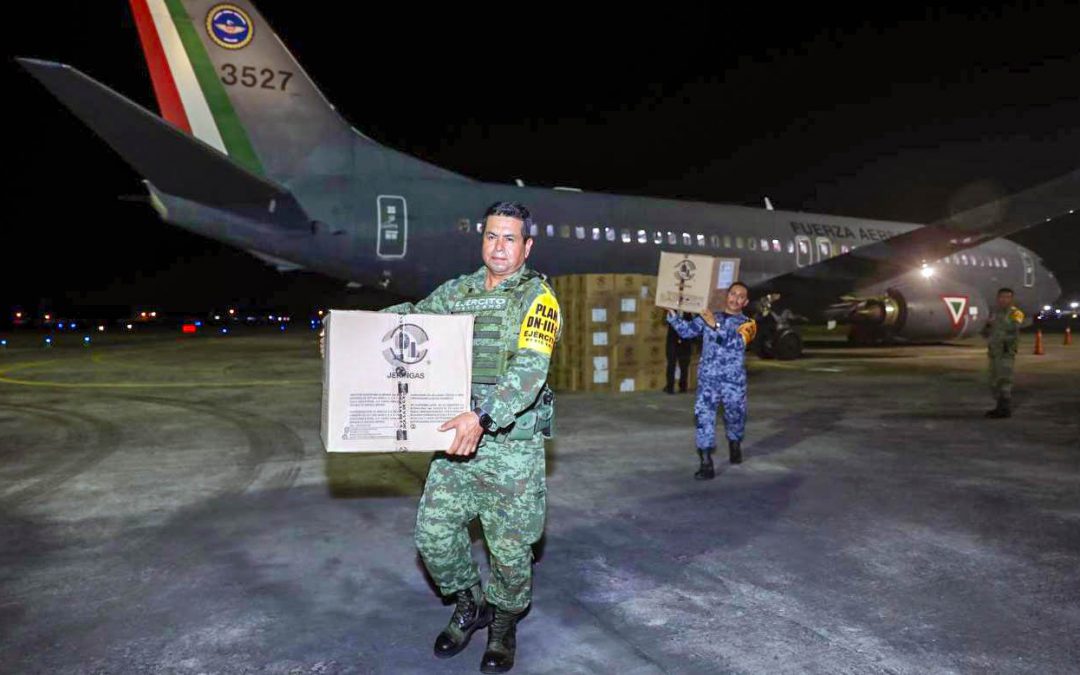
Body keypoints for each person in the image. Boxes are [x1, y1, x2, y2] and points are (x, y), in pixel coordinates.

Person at [380, 201, 560, 673]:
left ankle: (503, 621)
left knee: (510, 551)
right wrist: (351, 329)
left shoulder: (537, 298)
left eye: (509, 238)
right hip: (456, 443)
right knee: (433, 535)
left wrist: (481, 417)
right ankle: (470, 602)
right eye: (491, 236)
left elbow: (529, 370)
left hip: (508, 447)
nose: (499, 247)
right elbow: (412, 318)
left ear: (526, 246)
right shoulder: (458, 291)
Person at [667, 282, 756, 479]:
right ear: (727, 295)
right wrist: (673, 315)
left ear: (746, 302)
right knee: (703, 418)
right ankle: (706, 462)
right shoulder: (710, 315)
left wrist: (714, 326)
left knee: (735, 417)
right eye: (733, 294)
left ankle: (735, 442)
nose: (735, 299)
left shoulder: (748, 324)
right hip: (708, 380)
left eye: (741, 297)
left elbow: (737, 344)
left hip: (733, 383)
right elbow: (687, 331)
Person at [980, 287, 1024, 419]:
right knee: (994, 380)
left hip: (1006, 351)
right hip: (994, 352)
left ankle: (1005, 409)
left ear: (1012, 299)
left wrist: (996, 322)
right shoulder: (995, 313)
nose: (1004, 299)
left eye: (1007, 297)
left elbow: (1014, 327)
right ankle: (999, 407)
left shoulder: (1016, 313)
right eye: (1002, 297)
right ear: (998, 298)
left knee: (1004, 379)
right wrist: (987, 326)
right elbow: (986, 332)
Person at [664, 312, 693, 393]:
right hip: (672, 340)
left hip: (685, 341)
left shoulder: (689, 312)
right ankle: (670, 386)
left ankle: (683, 386)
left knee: (684, 364)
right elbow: (665, 321)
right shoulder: (671, 311)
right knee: (671, 363)